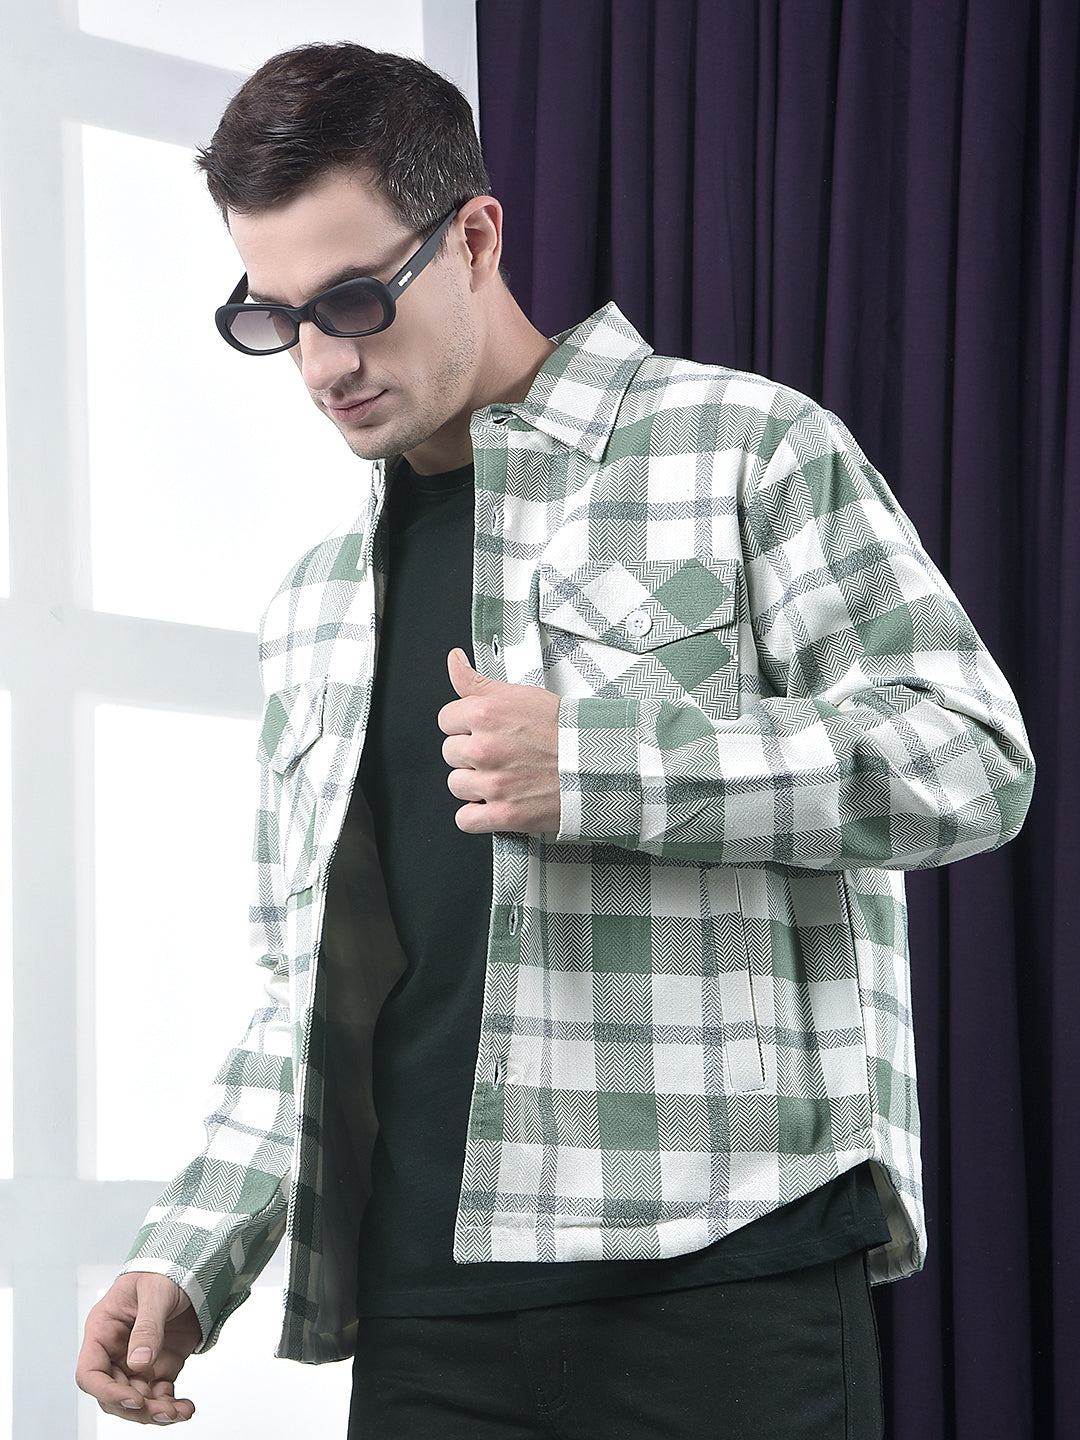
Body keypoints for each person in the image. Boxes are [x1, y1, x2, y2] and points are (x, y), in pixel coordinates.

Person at [75, 42, 1034, 1438]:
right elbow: (306, 990)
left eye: (353, 300)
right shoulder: (315, 606)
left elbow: (969, 756)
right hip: (426, 1318)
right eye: (278, 319)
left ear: (475, 237)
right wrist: (192, 1248)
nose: (326, 364)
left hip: (724, 1282)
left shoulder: (746, 449)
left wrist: (604, 766)